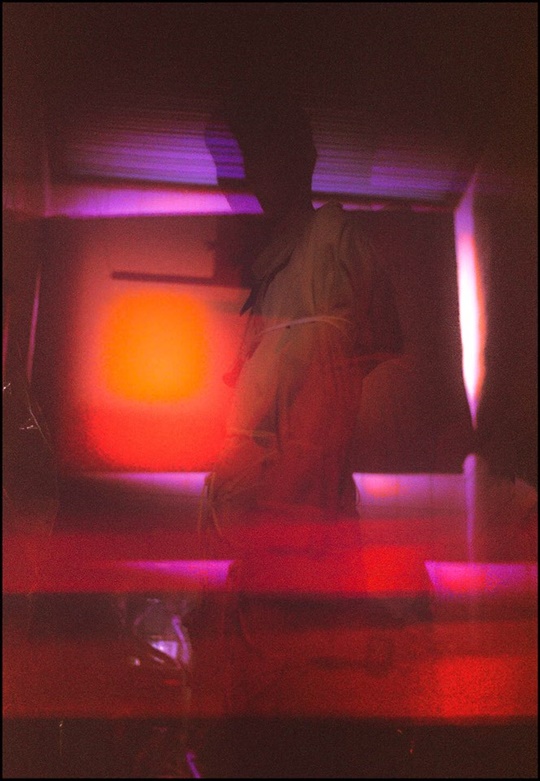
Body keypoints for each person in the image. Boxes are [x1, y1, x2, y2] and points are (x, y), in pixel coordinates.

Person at [188, 87, 403, 777]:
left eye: (267, 152)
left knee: (298, 726)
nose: (252, 174)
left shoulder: (330, 246)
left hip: (296, 554)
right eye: (244, 158)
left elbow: (319, 410)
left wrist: (272, 526)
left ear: (303, 155)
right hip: (263, 558)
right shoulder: (272, 274)